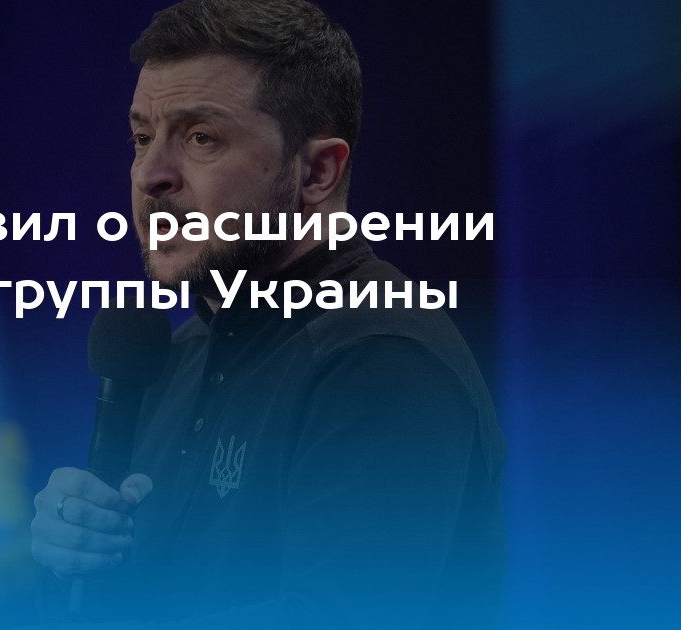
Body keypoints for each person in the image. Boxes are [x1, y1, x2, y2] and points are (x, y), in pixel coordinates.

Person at [30, 1, 507, 627]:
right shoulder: (180, 356)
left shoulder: (380, 357)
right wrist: (70, 561)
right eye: (143, 138)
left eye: (201, 138)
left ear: (317, 172)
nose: (151, 175)